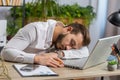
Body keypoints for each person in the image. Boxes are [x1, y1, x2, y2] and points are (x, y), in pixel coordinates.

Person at [1, 19, 90, 68]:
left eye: (73, 47)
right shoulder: (34, 30)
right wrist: (37, 58)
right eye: (71, 43)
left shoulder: (61, 41)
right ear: (68, 29)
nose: (68, 48)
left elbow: (85, 51)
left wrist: (58, 54)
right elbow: (5, 52)